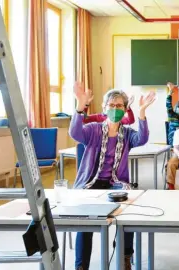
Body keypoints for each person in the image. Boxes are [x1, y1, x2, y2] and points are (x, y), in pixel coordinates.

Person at [69, 82, 155, 270]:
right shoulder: (93, 129)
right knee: (86, 220)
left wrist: (141, 112)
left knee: (129, 215)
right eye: (112, 105)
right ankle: (81, 266)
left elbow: (142, 138)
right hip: (90, 184)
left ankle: (125, 257)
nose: (115, 109)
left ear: (125, 110)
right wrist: (80, 105)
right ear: (104, 108)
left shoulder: (127, 133)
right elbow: (75, 133)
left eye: (119, 106)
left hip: (116, 185)